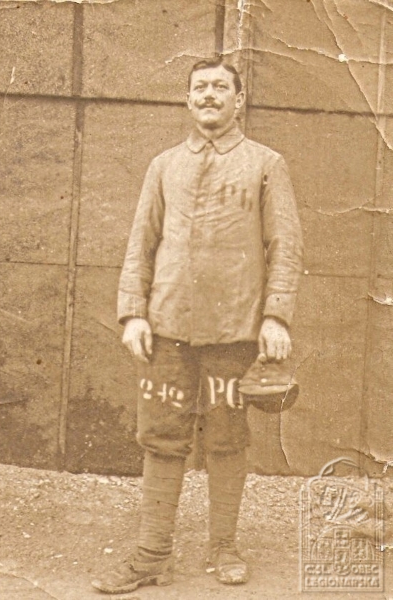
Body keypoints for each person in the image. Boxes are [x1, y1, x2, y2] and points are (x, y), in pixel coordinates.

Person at [92, 57, 303, 594]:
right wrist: (133, 312)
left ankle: (223, 546)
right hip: (165, 330)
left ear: (239, 99)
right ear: (188, 100)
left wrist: (275, 317)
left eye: (220, 88)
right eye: (200, 88)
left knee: (227, 440)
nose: (209, 95)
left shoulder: (266, 164)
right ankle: (151, 555)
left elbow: (285, 246)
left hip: (235, 332)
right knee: (162, 439)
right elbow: (140, 243)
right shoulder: (164, 166)